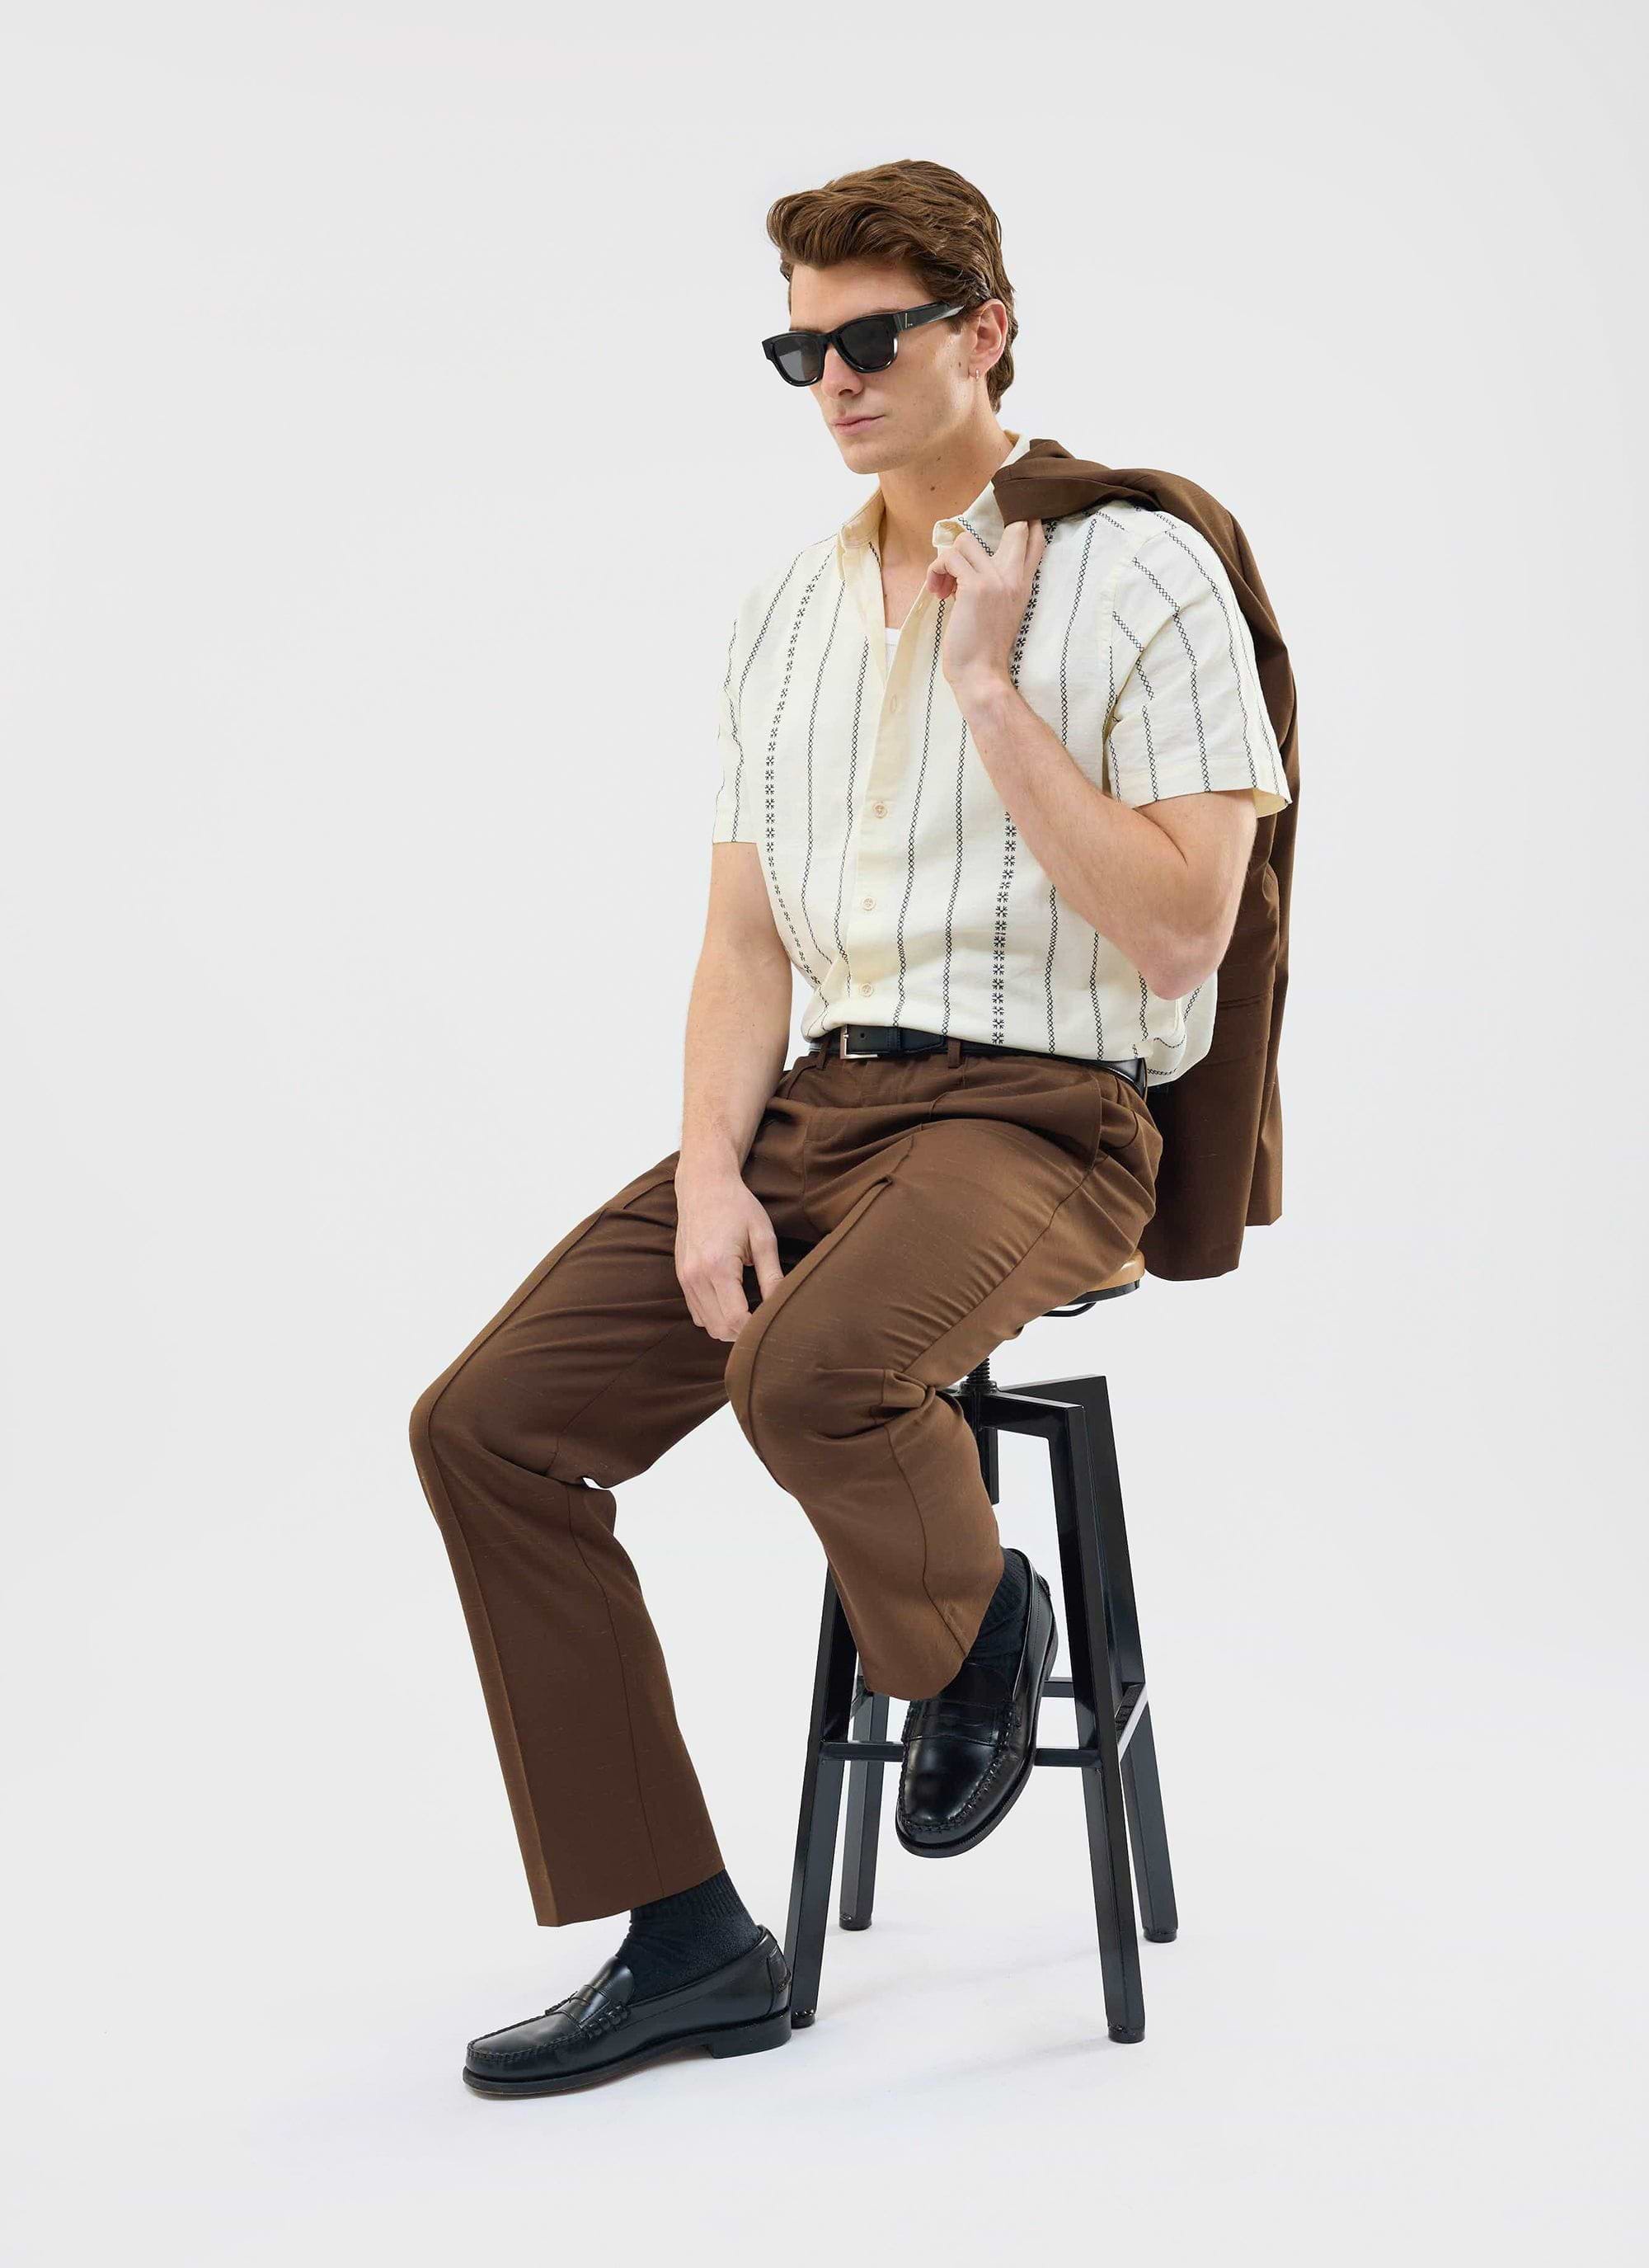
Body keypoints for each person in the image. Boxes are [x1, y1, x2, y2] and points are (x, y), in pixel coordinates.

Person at [408, 158, 1291, 2099]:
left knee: (808, 1374)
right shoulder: (782, 612)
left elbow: (1175, 929)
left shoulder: (1142, 571)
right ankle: (687, 1937)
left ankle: (974, 1623)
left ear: (982, 331)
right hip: (820, 1113)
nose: (831, 378)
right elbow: (742, 939)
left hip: (1047, 1120)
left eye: (867, 336)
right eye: (797, 346)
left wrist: (987, 687)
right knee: (484, 1430)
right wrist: (713, 1171)